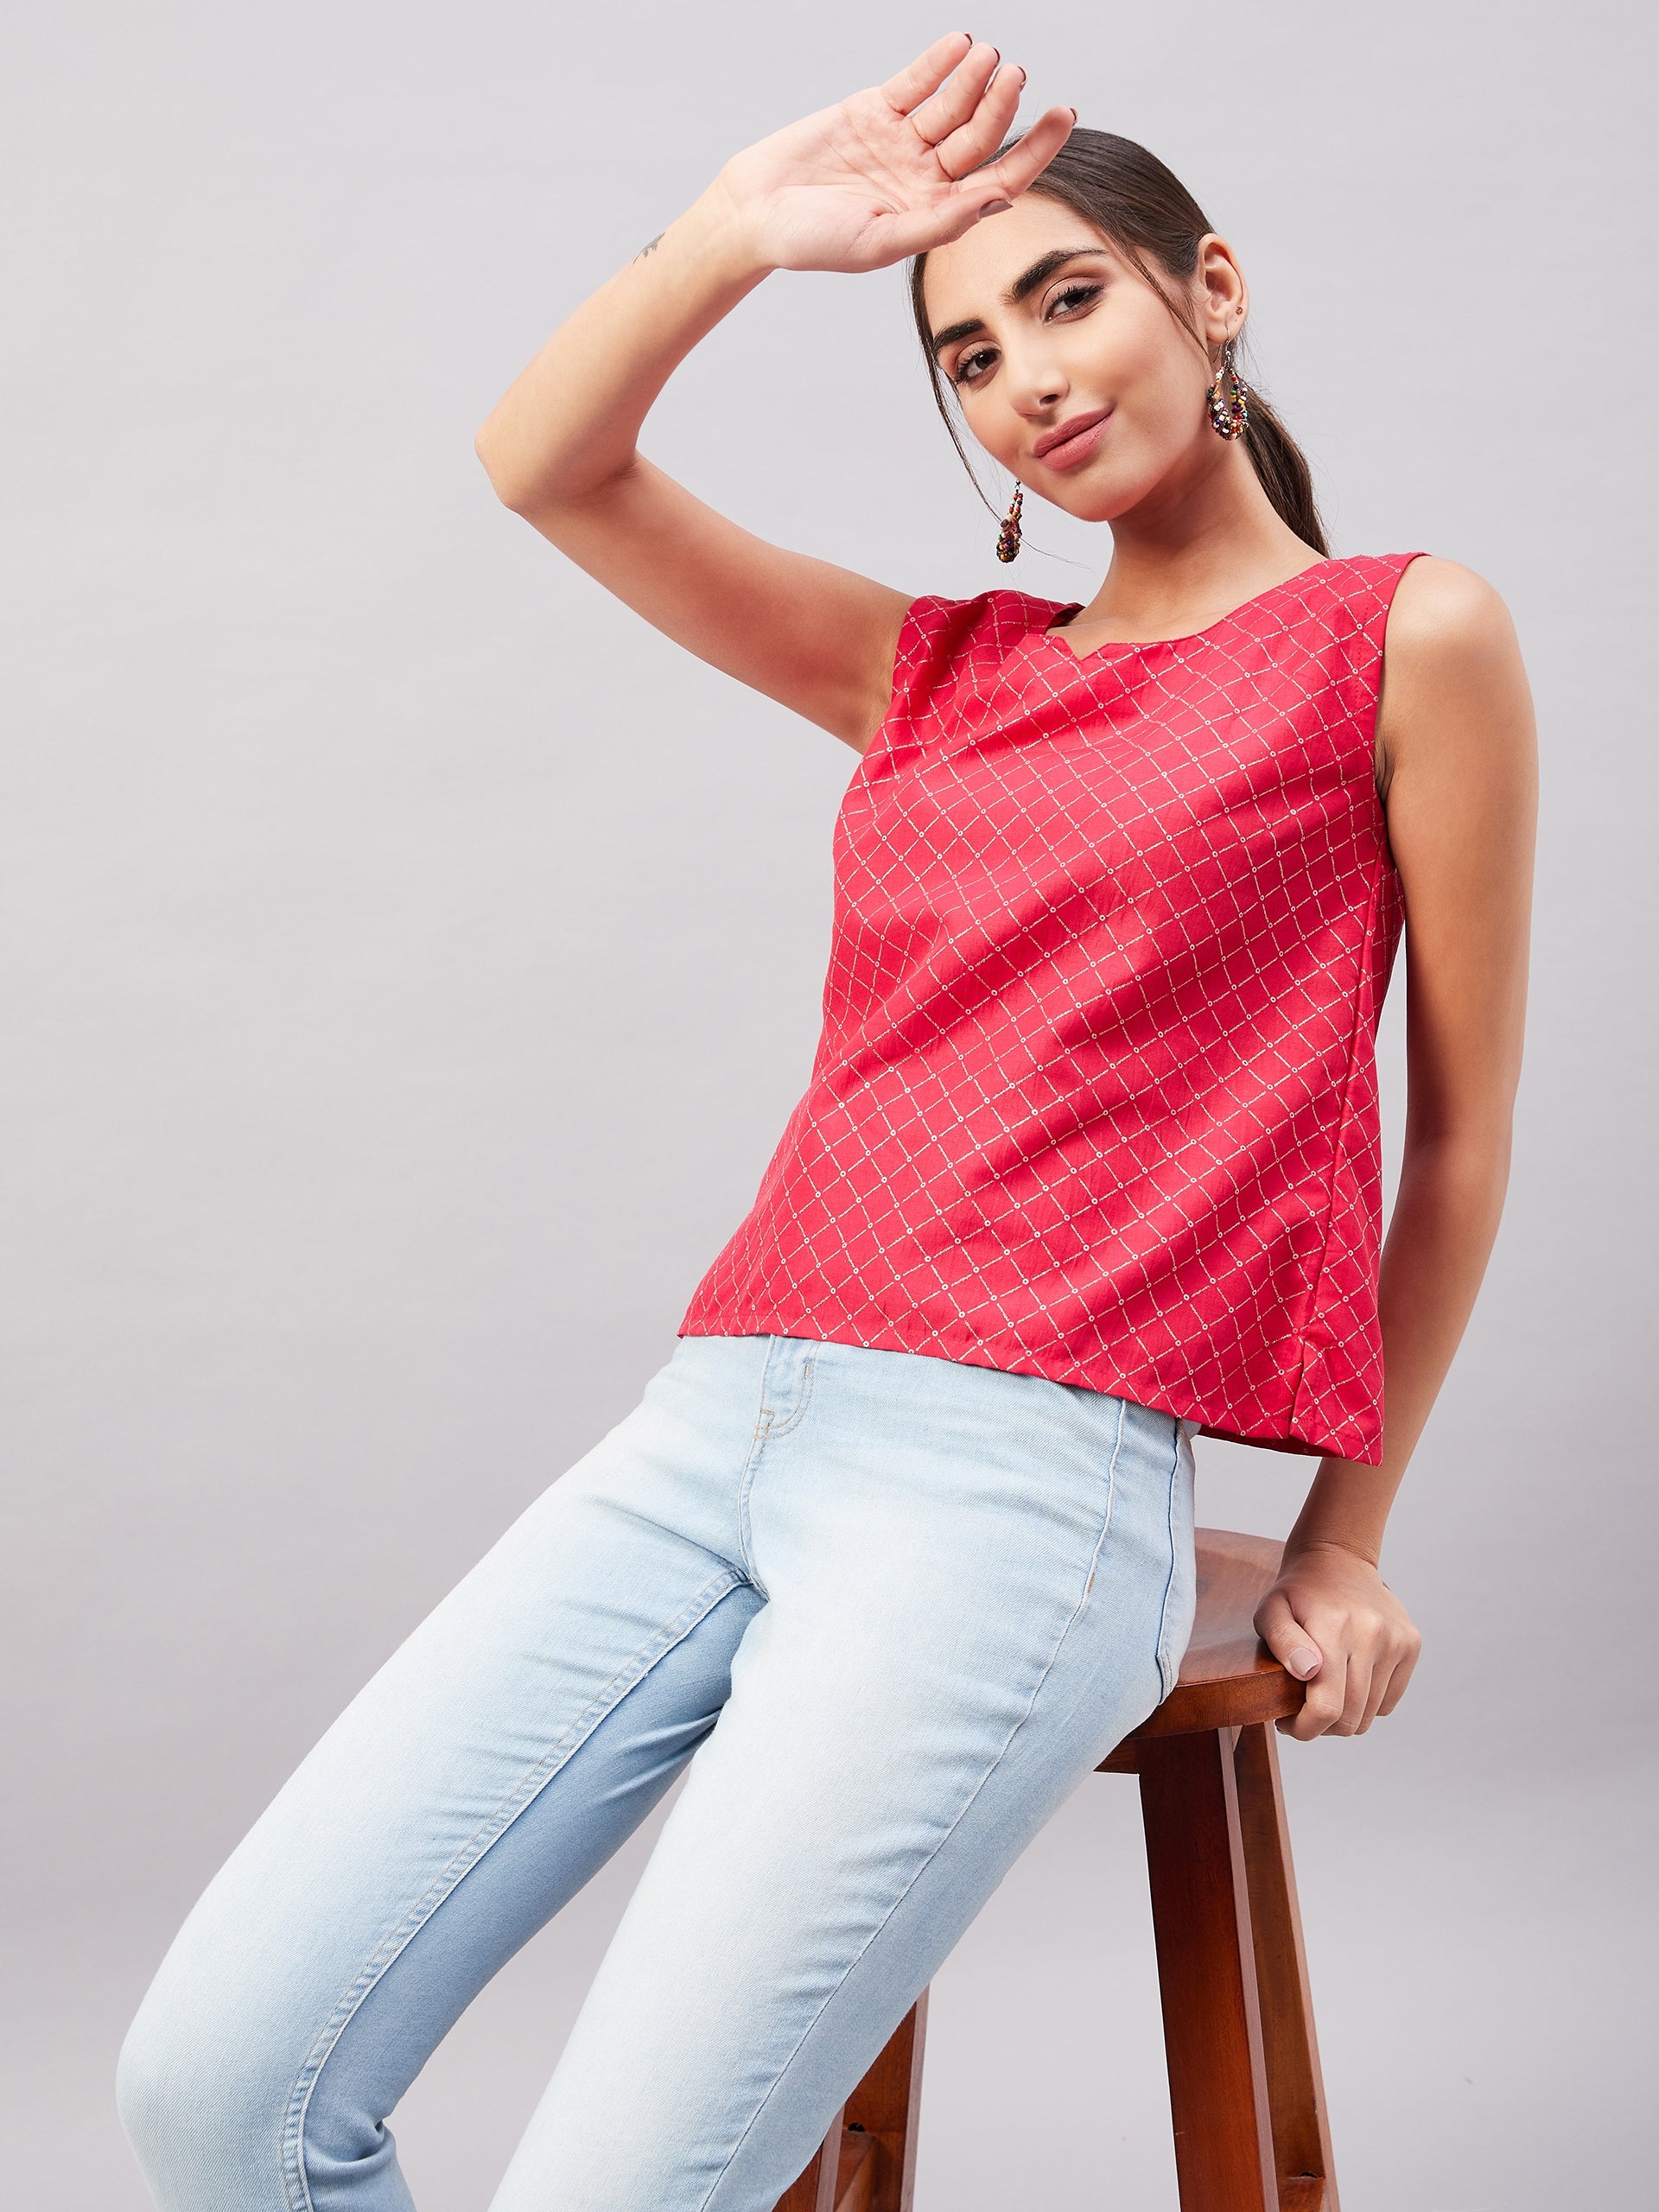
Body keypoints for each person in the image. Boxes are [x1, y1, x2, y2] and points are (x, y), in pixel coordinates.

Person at [115, 32, 1537, 2212]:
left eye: (1068, 297)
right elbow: (543, 462)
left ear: (1211, 289)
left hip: (1022, 1481)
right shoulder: (941, 668)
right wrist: (742, 228)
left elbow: (1452, 1141)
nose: (1029, 378)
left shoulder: (1404, 636)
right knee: (212, 2089)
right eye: (970, 355)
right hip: (721, 1420)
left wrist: (1343, 1538)